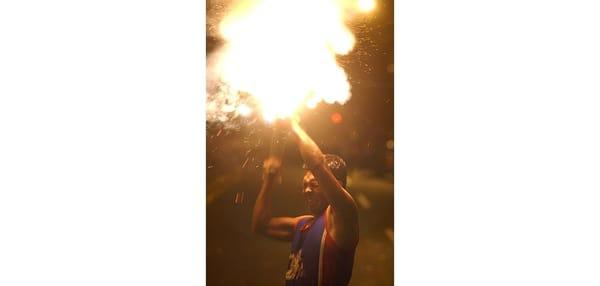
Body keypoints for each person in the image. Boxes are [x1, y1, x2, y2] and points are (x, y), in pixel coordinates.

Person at [251, 119, 359, 286]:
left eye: (314, 184)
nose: (307, 190)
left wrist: (292, 123)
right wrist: (269, 181)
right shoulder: (302, 225)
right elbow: (260, 225)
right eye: (305, 185)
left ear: (337, 185)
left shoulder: (344, 216)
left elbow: (318, 163)